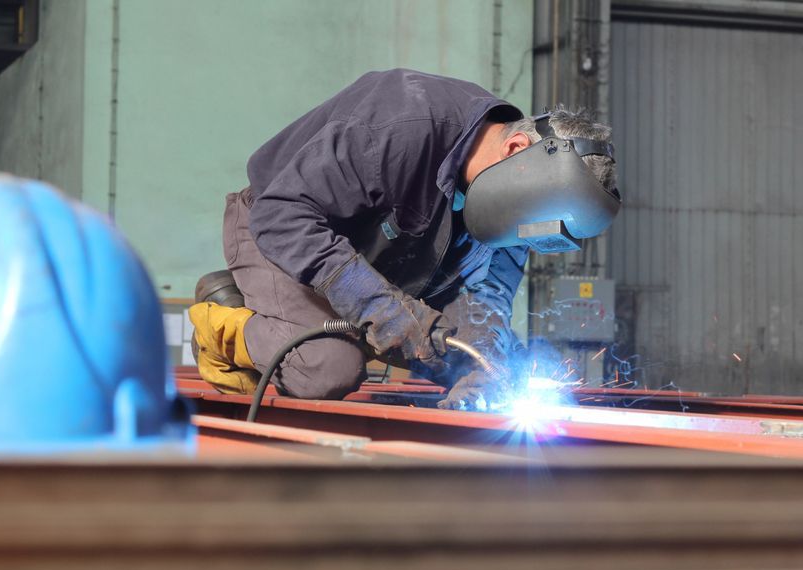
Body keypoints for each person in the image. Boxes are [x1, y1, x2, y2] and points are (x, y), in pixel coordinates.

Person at [190, 68, 619, 410]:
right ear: (515, 149)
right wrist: (381, 308)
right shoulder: (401, 124)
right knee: (326, 368)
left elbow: (491, 291)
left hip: (392, 266)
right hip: (285, 237)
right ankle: (221, 323)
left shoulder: (515, 196)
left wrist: (482, 356)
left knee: (483, 362)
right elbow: (281, 215)